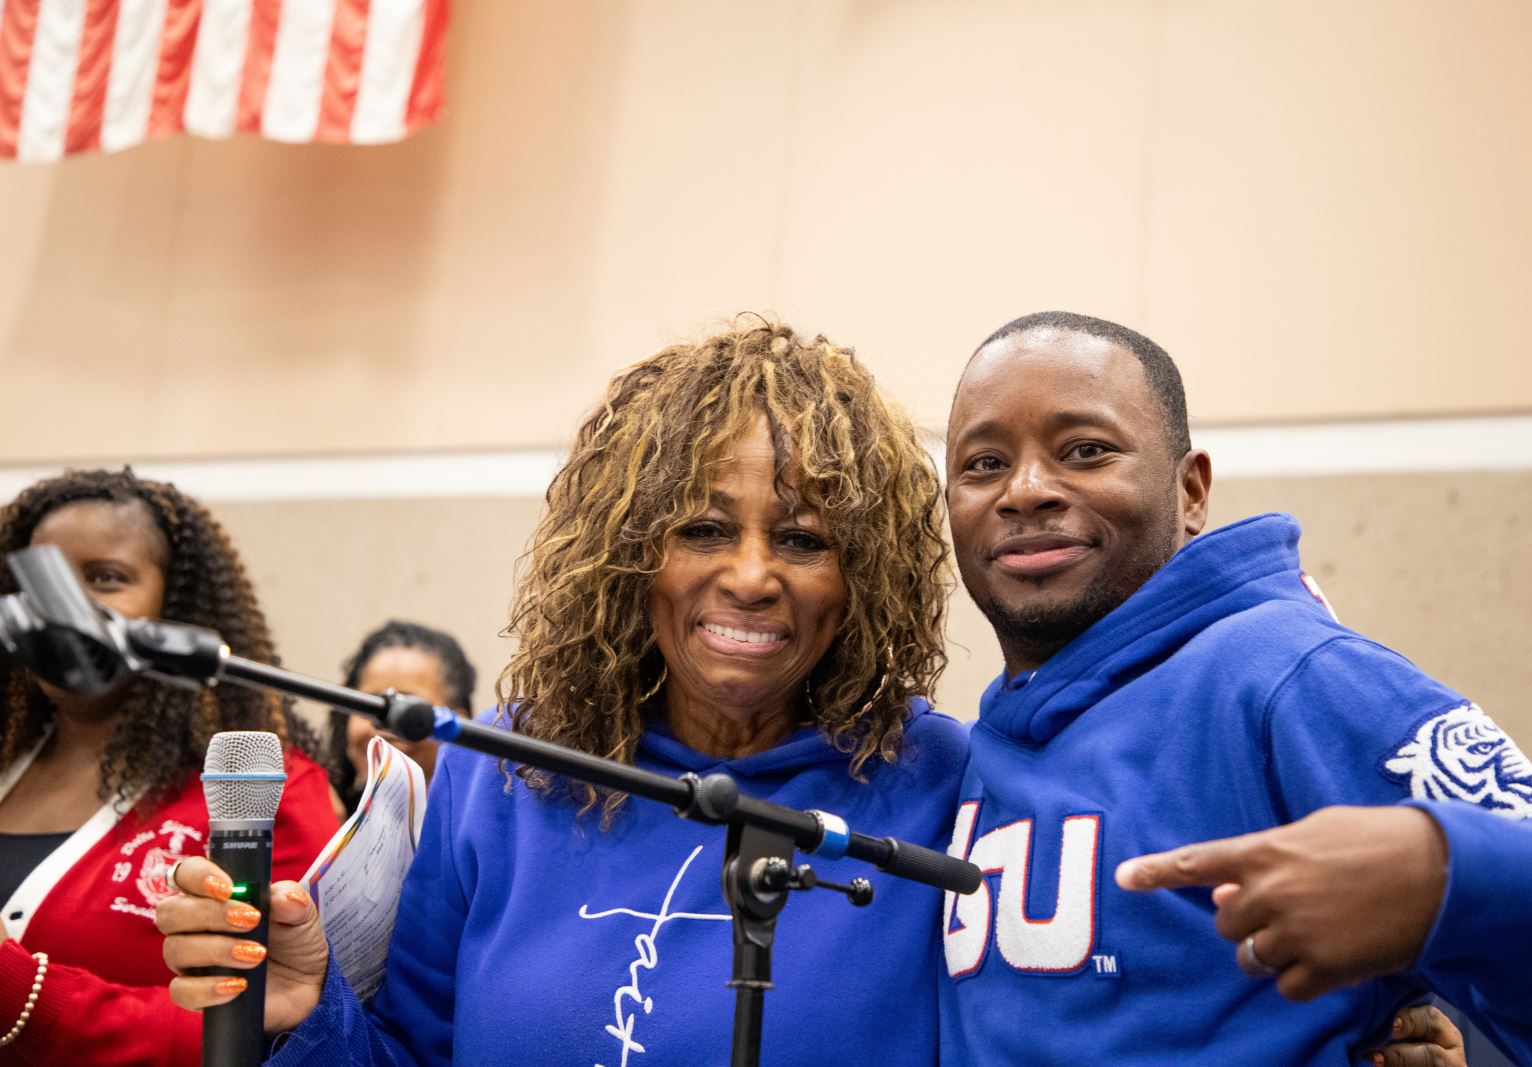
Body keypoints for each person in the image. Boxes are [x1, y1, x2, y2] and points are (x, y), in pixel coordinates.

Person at [158, 320, 968, 1064]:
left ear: (863, 576)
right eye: (703, 529)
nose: (752, 576)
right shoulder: (502, 769)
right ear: (627, 555)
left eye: (801, 539)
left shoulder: (940, 782)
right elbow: (412, 1052)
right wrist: (311, 1011)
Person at [937, 311, 1532, 1065]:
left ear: (1190, 492)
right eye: (983, 464)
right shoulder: (964, 754)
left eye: (1085, 451)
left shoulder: (1294, 675)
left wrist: (1450, 868)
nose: (1025, 490)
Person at [0, 469, 342, 1066]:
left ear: (176, 607)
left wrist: (22, 993)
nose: (64, 609)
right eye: (40, 583)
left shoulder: (255, 790)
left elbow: (270, 1031)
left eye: (106, 578)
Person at [327, 620, 477, 813]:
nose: (384, 725)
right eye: (372, 705)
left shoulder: (471, 834)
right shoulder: (326, 820)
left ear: (457, 723)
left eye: (409, 708)